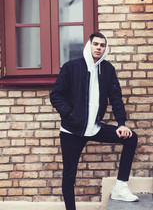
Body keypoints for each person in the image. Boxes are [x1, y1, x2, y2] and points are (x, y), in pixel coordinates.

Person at [50, 32, 139, 210]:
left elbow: (116, 98)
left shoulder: (107, 70)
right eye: (96, 44)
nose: (99, 47)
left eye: (102, 45)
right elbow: (56, 95)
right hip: (72, 131)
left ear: (106, 48)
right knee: (69, 176)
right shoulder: (72, 67)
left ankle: (120, 186)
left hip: (95, 128)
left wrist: (121, 123)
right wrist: (70, 115)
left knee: (131, 138)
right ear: (89, 45)